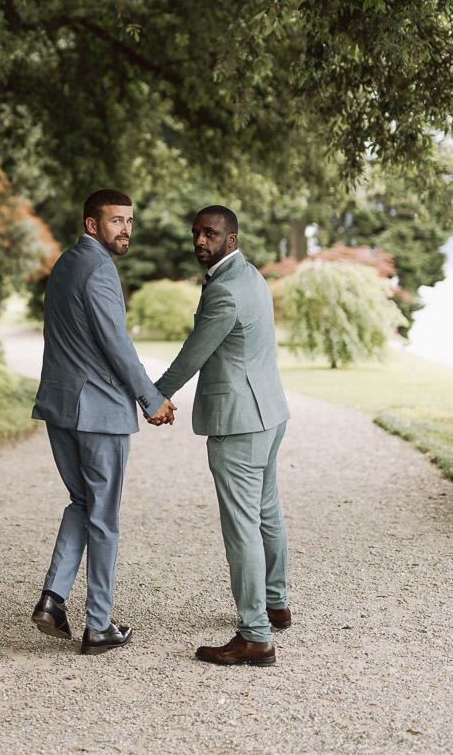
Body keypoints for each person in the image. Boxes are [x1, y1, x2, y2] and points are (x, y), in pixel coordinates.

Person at [30, 189, 175, 655]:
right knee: (104, 518)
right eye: (116, 221)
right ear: (92, 224)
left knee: (82, 501)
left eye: (129, 221)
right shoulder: (100, 269)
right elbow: (117, 343)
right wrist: (150, 398)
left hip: (60, 407)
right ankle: (98, 625)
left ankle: (53, 598)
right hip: (99, 413)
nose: (126, 229)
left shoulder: (64, 265)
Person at [154, 205, 290, 666]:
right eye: (196, 232)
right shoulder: (250, 275)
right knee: (266, 512)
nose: (199, 240)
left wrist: (155, 394)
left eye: (210, 233)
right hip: (269, 413)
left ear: (230, 239)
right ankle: (275, 604)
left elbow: (194, 353)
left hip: (240, 422)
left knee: (242, 527)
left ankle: (256, 636)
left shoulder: (225, 290)